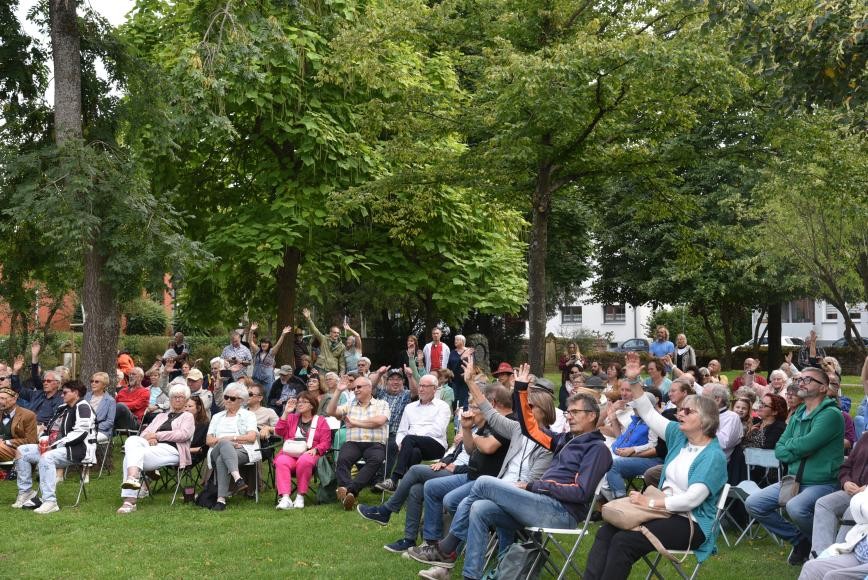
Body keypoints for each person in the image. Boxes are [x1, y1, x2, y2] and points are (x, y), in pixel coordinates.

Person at [407, 362, 611, 578]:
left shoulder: (597, 449)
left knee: (484, 482)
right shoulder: (564, 440)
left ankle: (447, 548)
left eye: (575, 412)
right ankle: (470, 575)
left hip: (560, 512)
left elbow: (580, 492)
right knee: (480, 507)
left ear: (591, 415)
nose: (568, 416)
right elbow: (529, 428)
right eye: (568, 412)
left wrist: (534, 485)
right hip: (538, 502)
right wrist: (521, 390)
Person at [584, 353, 727, 580]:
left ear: (706, 420)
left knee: (624, 541)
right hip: (662, 511)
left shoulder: (713, 456)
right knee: (605, 532)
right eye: (681, 409)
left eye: (688, 411)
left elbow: (691, 500)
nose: (680, 412)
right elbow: (648, 413)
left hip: (692, 522)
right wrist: (633, 381)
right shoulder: (680, 438)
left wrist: (649, 501)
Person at [358, 384, 519, 553]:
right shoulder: (486, 424)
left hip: (476, 478)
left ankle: (391, 513)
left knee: (416, 470)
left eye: (475, 406)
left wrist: (466, 445)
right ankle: (414, 540)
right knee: (416, 489)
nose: (470, 410)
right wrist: (465, 431)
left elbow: (487, 448)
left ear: (492, 403)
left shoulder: (506, 423)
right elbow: (469, 450)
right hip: (466, 472)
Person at [745, 367, 844, 565]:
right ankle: (801, 540)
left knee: (796, 508)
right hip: (793, 480)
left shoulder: (831, 414)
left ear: (823, 387)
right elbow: (780, 449)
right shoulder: (798, 412)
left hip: (822, 482)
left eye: (808, 379)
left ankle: (824, 545)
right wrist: (795, 448)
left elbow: (807, 444)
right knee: (754, 503)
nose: (802, 382)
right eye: (801, 378)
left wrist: (794, 447)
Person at [13, 380, 96, 514]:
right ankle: (26, 492)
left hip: (80, 450)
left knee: (47, 457)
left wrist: (54, 445)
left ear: (75, 393)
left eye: (65, 392)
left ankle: (50, 501)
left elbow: (81, 433)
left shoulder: (83, 407)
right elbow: (50, 428)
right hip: (58, 447)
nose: (61, 395)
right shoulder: (63, 408)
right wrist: (43, 440)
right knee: (22, 451)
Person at [116, 384, 194, 514]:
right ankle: (133, 478)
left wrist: (157, 435)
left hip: (173, 450)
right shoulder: (160, 416)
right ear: (170, 399)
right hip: (152, 447)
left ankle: (129, 501)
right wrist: (150, 438)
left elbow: (182, 435)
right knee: (132, 441)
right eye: (175, 397)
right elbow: (144, 433)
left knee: (130, 456)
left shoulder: (188, 417)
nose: (178, 399)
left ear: (186, 400)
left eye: (181, 397)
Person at [376, 374, 450, 492]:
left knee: (410, 439)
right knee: (414, 452)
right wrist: (401, 443)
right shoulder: (410, 407)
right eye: (420, 385)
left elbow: (438, 430)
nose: (421, 389)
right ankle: (407, 489)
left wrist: (411, 438)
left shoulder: (443, 406)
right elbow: (402, 430)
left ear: (434, 389)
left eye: (425, 386)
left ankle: (394, 479)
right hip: (411, 445)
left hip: (435, 445)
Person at [328, 375, 390, 510]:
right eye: (354, 387)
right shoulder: (350, 404)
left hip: (375, 443)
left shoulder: (382, 404)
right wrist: (338, 391)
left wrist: (355, 422)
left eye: (359, 387)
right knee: (343, 459)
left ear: (369, 388)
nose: (355, 389)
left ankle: (350, 490)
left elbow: (379, 421)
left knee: (376, 459)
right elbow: (330, 411)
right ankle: (350, 493)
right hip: (354, 442)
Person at [812, 429, 868, 556]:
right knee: (823, 504)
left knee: (852, 511)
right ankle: (820, 555)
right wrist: (846, 482)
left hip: (865, 497)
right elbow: (846, 466)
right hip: (852, 491)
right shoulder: (865, 438)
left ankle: (836, 556)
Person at [274, 391, 332, 510]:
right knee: (281, 461)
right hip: (291, 452)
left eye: (303, 402)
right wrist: (286, 412)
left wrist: (316, 449)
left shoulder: (320, 421)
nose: (300, 404)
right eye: (298, 402)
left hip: (309, 453)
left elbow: (326, 442)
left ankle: (300, 496)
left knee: (304, 460)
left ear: (312, 405)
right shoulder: (291, 418)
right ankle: (285, 498)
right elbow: (279, 431)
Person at [206, 382, 260, 511]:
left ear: (241, 401)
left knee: (222, 459)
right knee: (224, 443)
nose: (228, 400)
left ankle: (221, 500)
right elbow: (208, 440)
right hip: (216, 450)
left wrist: (231, 438)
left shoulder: (249, 415)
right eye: (226, 397)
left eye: (232, 398)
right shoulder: (216, 416)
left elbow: (252, 438)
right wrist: (225, 441)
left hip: (242, 450)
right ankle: (237, 478)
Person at [799, 489, 868, 580]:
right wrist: (846, 481)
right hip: (860, 553)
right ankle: (818, 555)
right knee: (811, 567)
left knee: (833, 576)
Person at [17, 341, 63, 427]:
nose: (45, 383)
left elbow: (57, 420)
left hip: (45, 431)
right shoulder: (36, 394)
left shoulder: (61, 398)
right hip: (27, 427)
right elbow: (17, 389)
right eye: (44, 381)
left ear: (57, 383)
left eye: (48, 381)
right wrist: (16, 372)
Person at [301, 308, 346, 375]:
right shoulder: (324, 339)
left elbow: (342, 362)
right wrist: (308, 318)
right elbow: (315, 330)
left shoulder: (342, 346)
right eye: (334, 332)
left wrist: (342, 372)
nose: (336, 334)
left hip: (332, 370)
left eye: (338, 333)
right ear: (330, 333)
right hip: (320, 367)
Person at [0, 386, 37, 464]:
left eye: (3, 398)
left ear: (14, 399)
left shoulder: (28, 415)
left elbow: (31, 440)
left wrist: (7, 442)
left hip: (16, 450)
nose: (0, 401)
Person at [249, 323, 291, 387]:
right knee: (256, 395)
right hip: (256, 378)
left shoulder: (271, 352)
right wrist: (251, 331)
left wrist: (283, 334)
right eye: (262, 342)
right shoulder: (257, 350)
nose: (264, 344)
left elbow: (278, 345)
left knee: (268, 396)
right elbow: (250, 342)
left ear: (269, 344)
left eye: (266, 343)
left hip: (267, 380)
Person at [85, 372, 116, 443]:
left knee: (86, 439)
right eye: (92, 381)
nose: (93, 383)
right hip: (83, 427)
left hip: (101, 431)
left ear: (104, 385)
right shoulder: (86, 396)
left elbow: (110, 422)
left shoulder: (110, 400)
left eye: (97, 382)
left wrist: (93, 427)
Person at [446, 334, 473, 409]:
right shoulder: (452, 352)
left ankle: (463, 413)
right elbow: (449, 365)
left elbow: (472, 365)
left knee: (464, 397)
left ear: (463, 341)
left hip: (465, 379)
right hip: (454, 380)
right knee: (455, 398)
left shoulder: (468, 352)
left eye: (457, 340)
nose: (455, 341)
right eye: (455, 340)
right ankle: (456, 416)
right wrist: (449, 373)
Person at [185, 396, 210, 466]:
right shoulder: (180, 421)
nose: (186, 409)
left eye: (190, 406)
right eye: (185, 406)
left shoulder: (204, 424)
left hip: (192, 455)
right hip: (176, 452)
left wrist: (185, 450)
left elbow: (203, 448)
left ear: (198, 408)